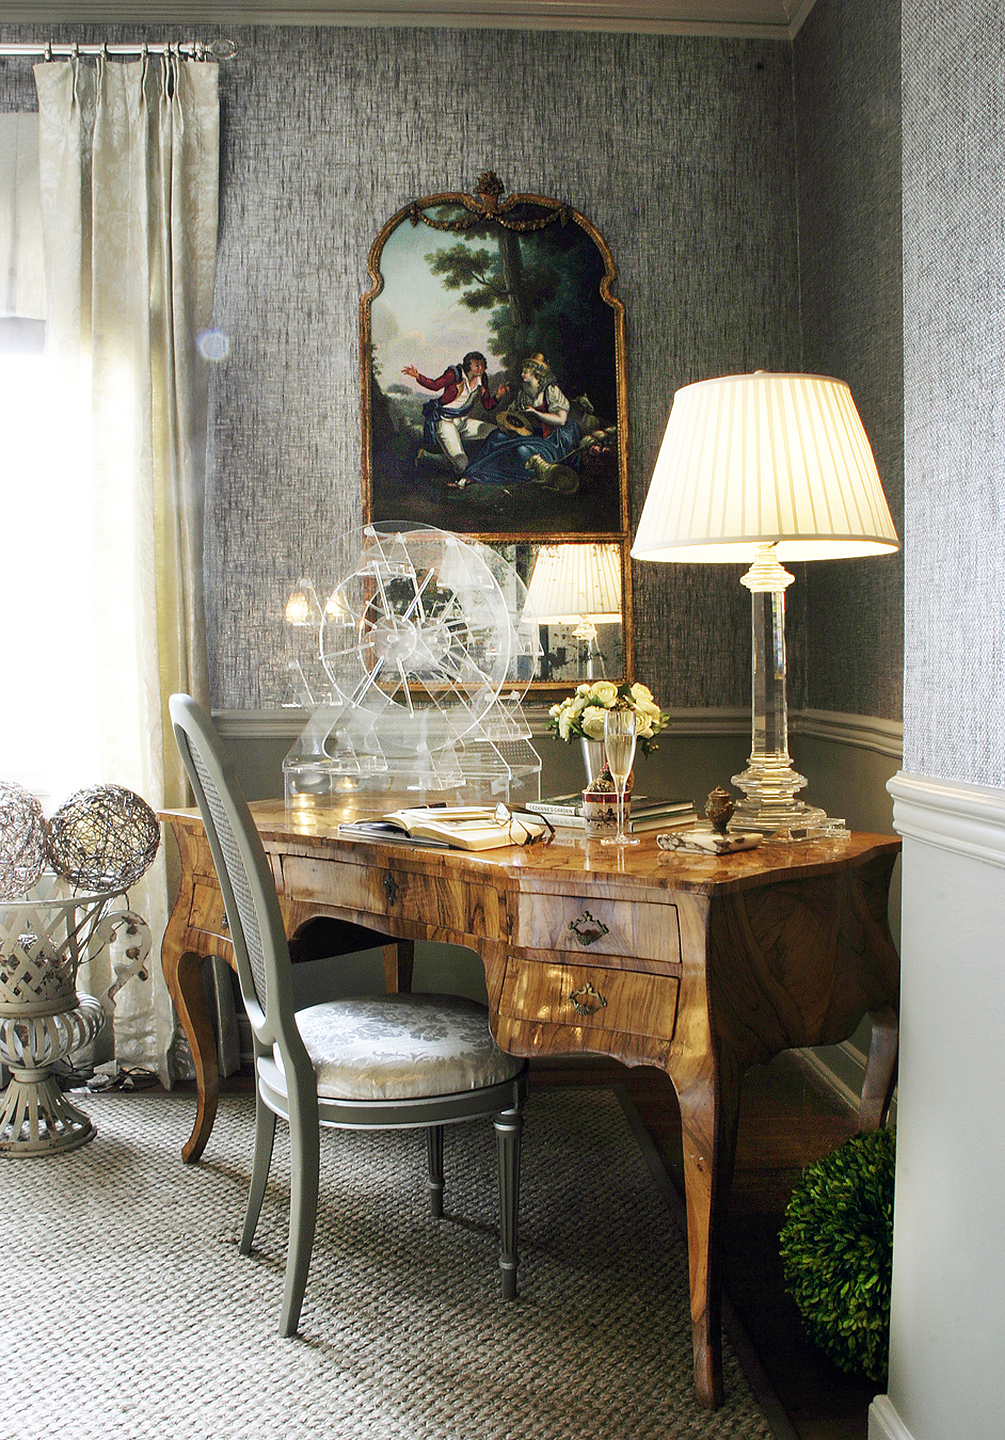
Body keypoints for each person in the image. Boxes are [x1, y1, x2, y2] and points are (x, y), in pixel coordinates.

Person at [458, 353, 583, 489]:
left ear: (536, 373)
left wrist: (536, 413)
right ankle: (471, 473)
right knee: (496, 436)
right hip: (530, 435)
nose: (522, 374)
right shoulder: (524, 394)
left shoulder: (550, 391)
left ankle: (487, 476)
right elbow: (512, 413)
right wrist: (505, 425)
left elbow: (561, 420)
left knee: (521, 452)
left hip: (551, 440)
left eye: (526, 371)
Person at [402, 351, 509, 475]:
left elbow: (487, 406)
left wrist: (498, 396)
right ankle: (428, 457)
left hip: (463, 421)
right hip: (445, 422)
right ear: (468, 366)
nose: (481, 368)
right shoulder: (455, 374)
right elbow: (436, 385)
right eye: (477, 365)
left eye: (482, 365)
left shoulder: (482, 378)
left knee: (497, 433)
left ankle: (491, 465)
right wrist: (418, 376)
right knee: (461, 461)